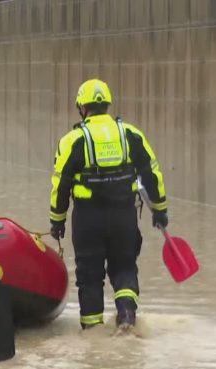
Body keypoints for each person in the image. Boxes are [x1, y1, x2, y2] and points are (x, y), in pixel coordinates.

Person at [49, 78, 168, 332]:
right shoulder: (130, 134)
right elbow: (152, 173)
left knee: (89, 277)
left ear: (82, 107)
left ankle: (93, 337)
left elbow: (60, 185)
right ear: (108, 104)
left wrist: (57, 220)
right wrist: (160, 209)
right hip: (123, 215)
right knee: (125, 267)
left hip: (88, 219)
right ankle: (126, 316)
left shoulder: (73, 140)